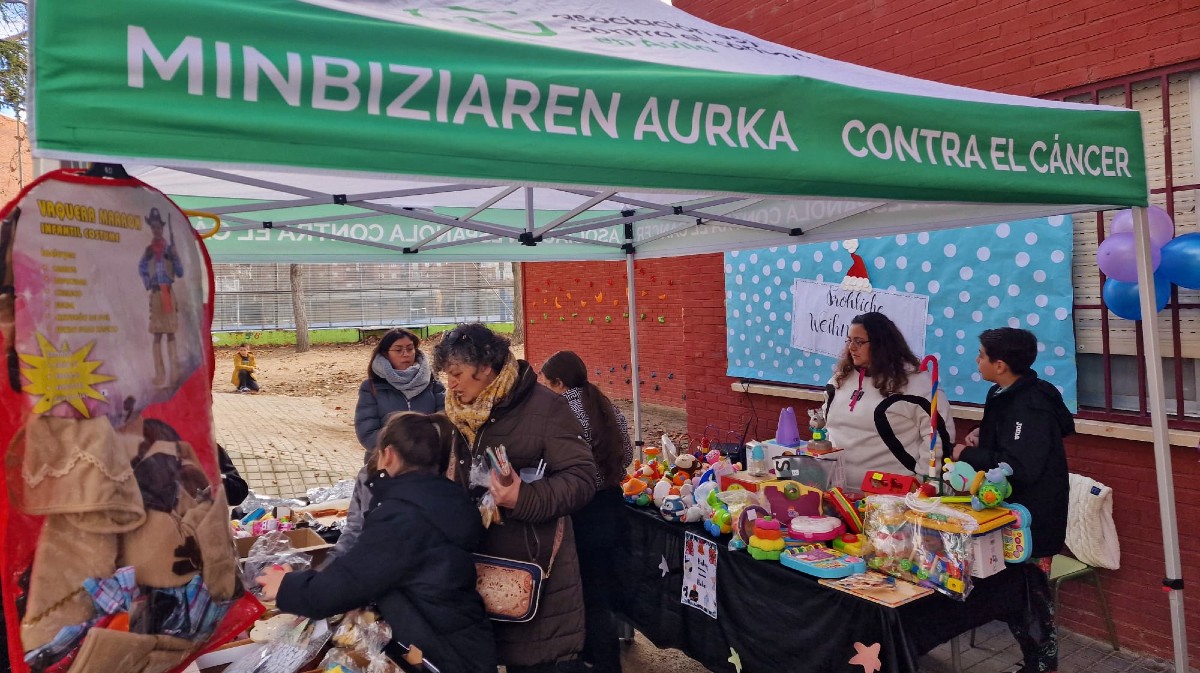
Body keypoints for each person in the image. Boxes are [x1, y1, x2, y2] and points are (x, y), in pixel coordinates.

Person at [256, 412, 495, 673]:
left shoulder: (404, 515)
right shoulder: (442, 501)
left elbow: (347, 582)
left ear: (388, 455)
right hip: (459, 641)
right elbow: (380, 572)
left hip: (442, 652)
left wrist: (287, 586)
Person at [433, 323, 596, 673]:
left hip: (534, 570)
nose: (453, 384)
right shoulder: (453, 413)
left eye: (458, 374)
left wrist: (523, 497)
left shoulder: (547, 409)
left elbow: (582, 479)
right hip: (472, 568)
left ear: (487, 369)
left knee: (535, 663)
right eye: (448, 375)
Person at [954, 327, 1072, 673]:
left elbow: (1020, 462)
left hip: (1035, 515)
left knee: (1032, 591)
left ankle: (1042, 662)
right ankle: (1033, 656)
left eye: (980, 355)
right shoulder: (1000, 392)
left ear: (1000, 364)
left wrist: (965, 454)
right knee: (1012, 588)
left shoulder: (1033, 401)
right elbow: (1006, 437)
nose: (977, 360)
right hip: (1005, 509)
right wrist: (982, 435)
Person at [539, 351, 634, 673]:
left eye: (546, 384)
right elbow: (626, 458)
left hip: (580, 513)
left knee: (585, 597)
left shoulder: (559, 412)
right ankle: (605, 658)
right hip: (612, 506)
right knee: (602, 594)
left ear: (559, 383)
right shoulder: (608, 406)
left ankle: (598, 661)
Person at [336, 329, 446, 559]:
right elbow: (367, 432)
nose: (406, 354)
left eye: (410, 348)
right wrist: (401, 453)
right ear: (385, 354)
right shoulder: (372, 386)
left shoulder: (432, 382)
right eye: (399, 350)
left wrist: (427, 448)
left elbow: (445, 420)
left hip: (429, 469)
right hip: (386, 469)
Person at [823, 311, 955, 487]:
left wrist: (924, 481)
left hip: (893, 497)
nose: (851, 348)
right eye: (849, 340)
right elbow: (828, 430)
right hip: (838, 491)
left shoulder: (915, 383)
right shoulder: (839, 380)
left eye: (859, 342)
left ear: (881, 344)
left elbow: (939, 435)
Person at [138, 207, 184, 387]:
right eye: (154, 227)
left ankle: (174, 373)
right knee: (157, 334)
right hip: (157, 294)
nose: (157, 230)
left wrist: (175, 257)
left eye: (159, 227)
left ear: (162, 229)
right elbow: (141, 268)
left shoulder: (169, 249)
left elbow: (180, 272)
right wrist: (148, 282)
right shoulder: (149, 250)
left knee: (171, 332)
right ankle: (160, 374)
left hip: (168, 293)